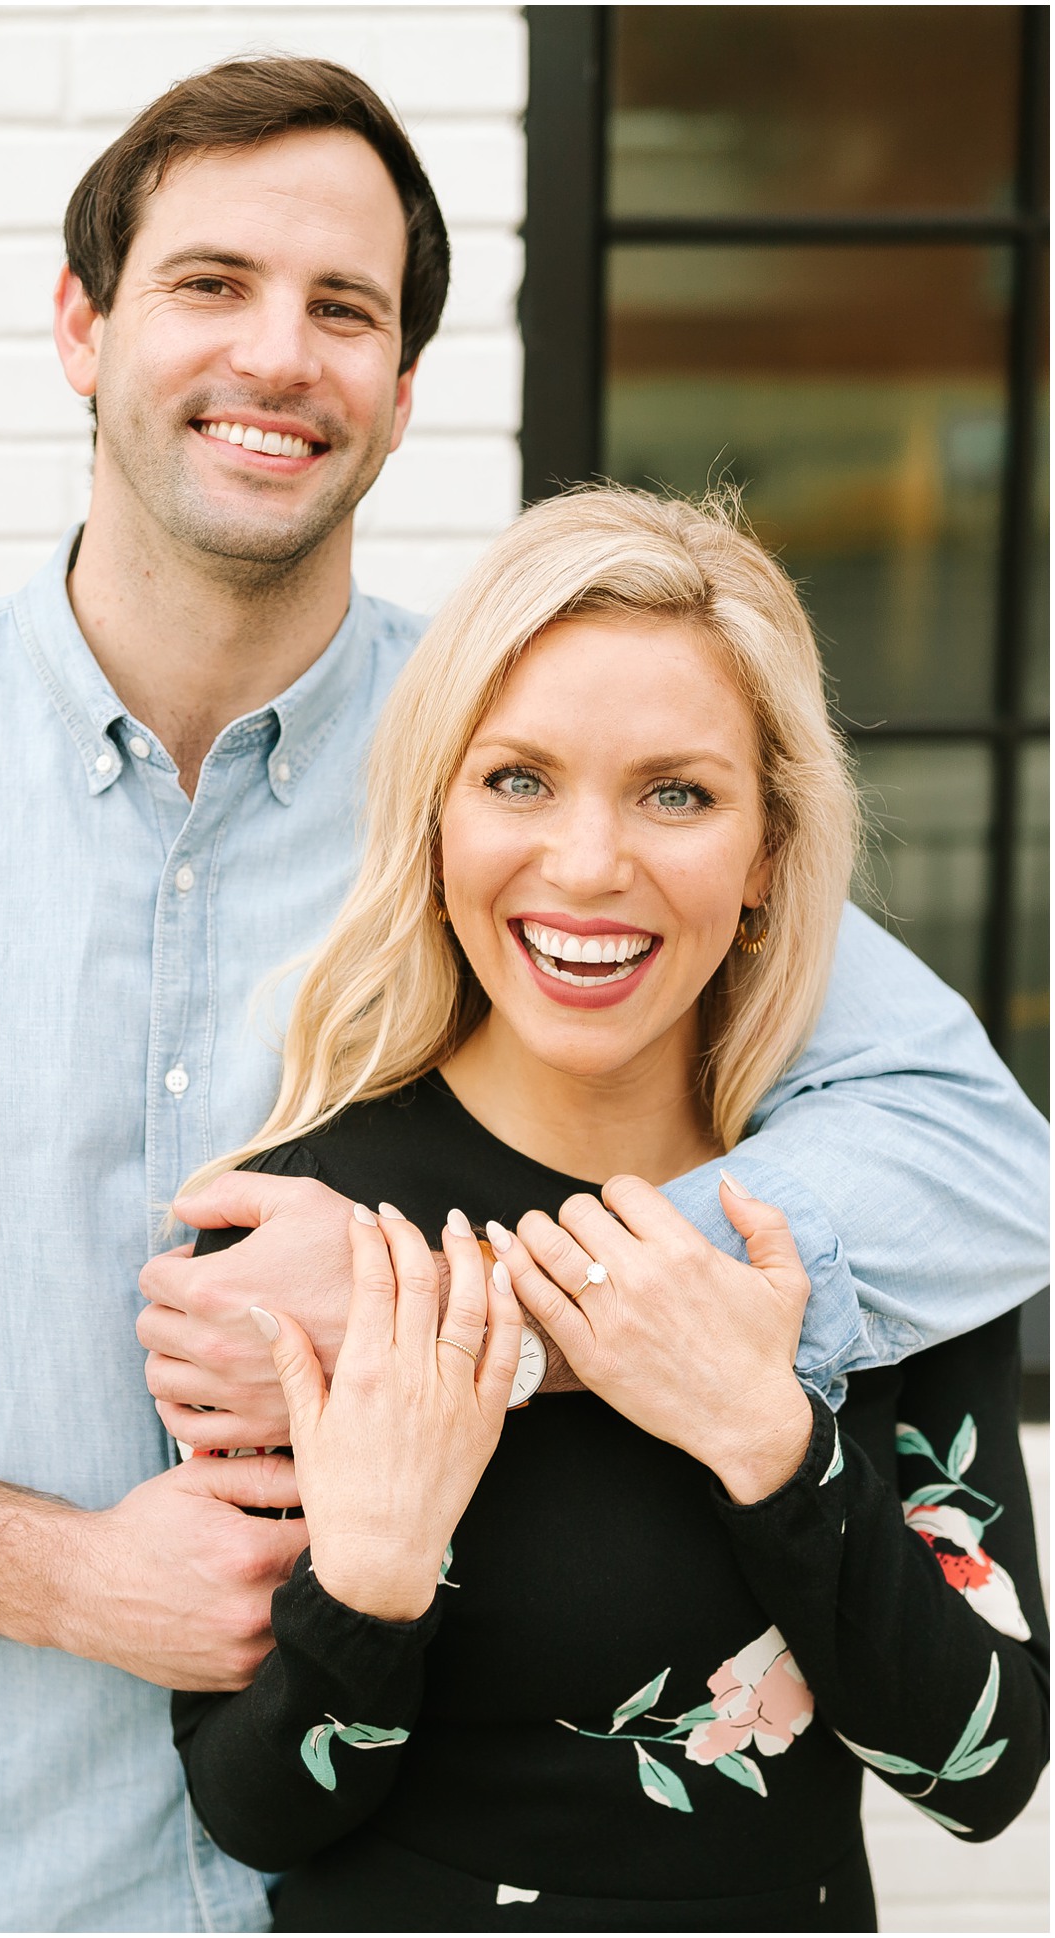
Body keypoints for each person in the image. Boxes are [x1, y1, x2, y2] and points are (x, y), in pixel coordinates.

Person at [0, 55, 1046, 1936]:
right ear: (83, 325)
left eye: (344, 309)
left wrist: (473, 1303)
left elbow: (983, 1162)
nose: (280, 353)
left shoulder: (517, 780)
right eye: (212, 284)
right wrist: (64, 1576)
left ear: (405, 391)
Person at [170, 487, 1050, 1932]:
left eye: (677, 792)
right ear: (435, 812)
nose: (588, 864)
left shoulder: (863, 1218)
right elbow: (250, 1805)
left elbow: (985, 1769)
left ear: (768, 856)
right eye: (518, 779)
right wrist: (372, 1583)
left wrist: (770, 1440)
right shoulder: (306, 1232)